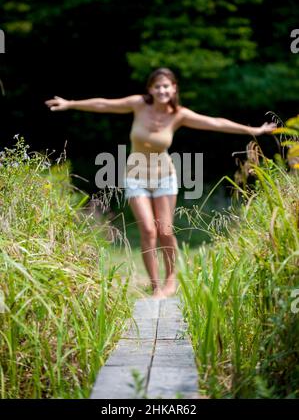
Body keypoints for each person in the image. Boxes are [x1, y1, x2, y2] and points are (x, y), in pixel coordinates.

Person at [45, 67, 277, 299]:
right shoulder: (138, 104)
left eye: (166, 86)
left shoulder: (179, 114)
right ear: (150, 89)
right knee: (148, 229)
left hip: (165, 177)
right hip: (136, 177)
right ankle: (155, 285)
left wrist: (253, 130)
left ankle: (170, 280)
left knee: (165, 230)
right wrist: (71, 103)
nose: (162, 90)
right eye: (157, 86)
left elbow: (215, 123)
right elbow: (105, 104)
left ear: (174, 88)